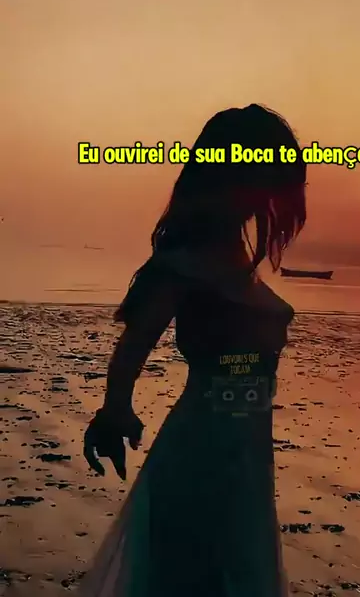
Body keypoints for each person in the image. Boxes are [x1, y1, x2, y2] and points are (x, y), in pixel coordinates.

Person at [78, 104, 307, 597]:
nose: (269, 194)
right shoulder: (183, 264)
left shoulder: (234, 259)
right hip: (201, 454)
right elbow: (133, 345)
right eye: (263, 175)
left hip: (246, 456)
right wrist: (115, 410)